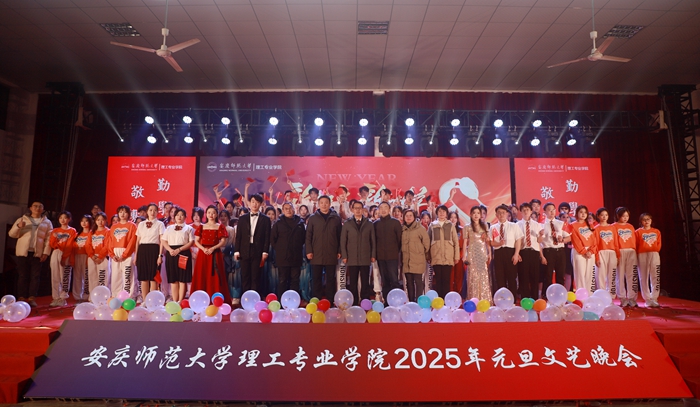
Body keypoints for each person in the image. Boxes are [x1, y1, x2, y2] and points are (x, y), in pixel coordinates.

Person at [8, 202, 52, 308]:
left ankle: (32, 298)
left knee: (35, 277)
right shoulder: (22, 219)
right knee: (22, 276)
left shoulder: (47, 222)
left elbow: (49, 239)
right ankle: (21, 297)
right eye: (35, 206)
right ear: (30, 208)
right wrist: (18, 226)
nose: (37, 208)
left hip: (37, 253)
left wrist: (45, 253)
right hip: (23, 252)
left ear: (43, 209)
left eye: (40, 206)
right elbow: (11, 234)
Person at [305, 195, 342, 301]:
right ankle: (316, 300)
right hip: (316, 252)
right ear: (318, 204)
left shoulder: (336, 218)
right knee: (316, 278)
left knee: (331, 278)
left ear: (330, 204)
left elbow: (340, 236)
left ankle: (330, 300)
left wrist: (339, 250)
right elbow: (308, 236)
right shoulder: (313, 218)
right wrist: (309, 251)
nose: (324, 205)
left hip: (331, 252)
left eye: (326, 203)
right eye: (321, 203)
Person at [192, 205, 231, 302]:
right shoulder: (201, 226)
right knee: (202, 275)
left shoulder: (220, 226)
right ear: (206, 214)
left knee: (215, 276)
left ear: (216, 214)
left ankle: (216, 299)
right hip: (203, 254)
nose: (211, 215)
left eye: (213, 213)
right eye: (209, 212)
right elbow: (196, 241)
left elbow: (223, 241)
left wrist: (213, 248)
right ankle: (200, 300)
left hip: (215, 253)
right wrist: (203, 249)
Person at [341, 200, 376, 305]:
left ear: (363, 209)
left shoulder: (369, 223)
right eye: (355, 208)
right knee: (353, 283)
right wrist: (344, 255)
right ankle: (354, 303)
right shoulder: (347, 223)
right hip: (352, 257)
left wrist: (373, 255)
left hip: (365, 257)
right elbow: (343, 241)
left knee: (365, 282)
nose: (357, 210)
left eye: (359, 208)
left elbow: (373, 241)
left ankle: (365, 303)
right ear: (352, 210)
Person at [234, 195, 271, 295]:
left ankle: (255, 298)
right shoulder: (242, 218)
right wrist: (236, 250)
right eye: (253, 202)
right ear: (249, 203)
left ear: (261, 204)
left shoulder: (266, 219)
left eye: (257, 202)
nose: (255, 204)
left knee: (256, 276)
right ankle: (245, 298)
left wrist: (265, 251)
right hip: (244, 249)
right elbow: (239, 236)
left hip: (258, 250)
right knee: (245, 275)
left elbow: (267, 237)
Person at [271, 202, 306, 298]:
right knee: (282, 280)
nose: (288, 210)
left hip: (296, 256)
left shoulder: (300, 223)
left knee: (295, 280)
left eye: (290, 208)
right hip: (283, 257)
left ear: (294, 209)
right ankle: (282, 301)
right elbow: (273, 240)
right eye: (286, 209)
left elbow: (303, 239)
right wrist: (281, 249)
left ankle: (293, 300)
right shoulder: (278, 223)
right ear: (282, 211)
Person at [162, 208, 194, 303]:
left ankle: (180, 301)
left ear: (185, 217)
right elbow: (164, 241)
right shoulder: (169, 228)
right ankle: (175, 301)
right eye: (177, 215)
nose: (179, 217)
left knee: (182, 279)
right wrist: (170, 250)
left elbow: (191, 242)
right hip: (171, 254)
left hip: (183, 253)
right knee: (173, 278)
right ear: (174, 217)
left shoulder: (189, 228)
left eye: (182, 215)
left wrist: (179, 249)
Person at [489, 204, 523, 295]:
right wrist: (499, 244)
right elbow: (491, 242)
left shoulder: (514, 226)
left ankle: (513, 299)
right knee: (500, 277)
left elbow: (518, 240)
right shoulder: (493, 228)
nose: (501, 215)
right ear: (496, 215)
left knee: (511, 277)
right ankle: (502, 299)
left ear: (507, 214)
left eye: (503, 213)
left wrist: (516, 254)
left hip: (510, 252)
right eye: (499, 213)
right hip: (498, 252)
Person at [427, 205, 460, 298]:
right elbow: (428, 241)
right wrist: (428, 256)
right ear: (437, 213)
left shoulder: (450, 225)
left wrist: (456, 256)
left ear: (446, 214)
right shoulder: (432, 225)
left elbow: (455, 242)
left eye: (444, 212)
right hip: (436, 257)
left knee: (446, 280)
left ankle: (446, 301)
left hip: (448, 257)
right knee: (438, 280)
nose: (441, 213)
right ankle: (439, 301)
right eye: (440, 211)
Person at [540, 203, 571, 299]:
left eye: (553, 209)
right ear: (545, 212)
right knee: (548, 275)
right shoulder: (541, 225)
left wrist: (563, 240)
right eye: (549, 210)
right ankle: (547, 296)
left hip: (560, 251)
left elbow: (569, 237)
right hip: (548, 251)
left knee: (560, 274)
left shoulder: (561, 223)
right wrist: (540, 235)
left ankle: (560, 296)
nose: (552, 211)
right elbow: (539, 241)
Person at [374, 202, 403, 304]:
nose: (383, 210)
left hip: (392, 256)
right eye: (381, 208)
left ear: (389, 209)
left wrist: (395, 251)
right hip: (380, 257)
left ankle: (396, 302)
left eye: (385, 207)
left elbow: (399, 240)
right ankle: (387, 302)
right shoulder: (375, 224)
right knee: (385, 281)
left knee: (394, 280)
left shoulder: (395, 223)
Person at [135, 203, 165, 299]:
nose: (153, 212)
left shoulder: (160, 224)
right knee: (144, 278)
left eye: (155, 210)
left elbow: (162, 241)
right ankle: (145, 300)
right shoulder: (141, 224)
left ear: (157, 212)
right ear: (147, 212)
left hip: (154, 250)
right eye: (150, 210)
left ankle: (152, 300)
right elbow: (137, 241)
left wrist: (160, 255)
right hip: (142, 250)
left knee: (153, 277)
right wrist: (136, 256)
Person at [107, 205, 137, 299]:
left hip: (127, 253)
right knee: (116, 275)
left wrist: (125, 255)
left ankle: (129, 296)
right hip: (115, 252)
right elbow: (110, 241)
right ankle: (116, 296)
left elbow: (132, 241)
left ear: (129, 214)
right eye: (120, 212)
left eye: (125, 212)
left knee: (127, 275)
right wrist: (112, 254)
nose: (122, 214)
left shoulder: (132, 226)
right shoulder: (114, 226)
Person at [463, 206, 492, 302]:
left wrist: (490, 253)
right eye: (474, 213)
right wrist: (464, 256)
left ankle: (484, 299)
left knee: (483, 275)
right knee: (473, 276)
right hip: (472, 253)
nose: (476, 215)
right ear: (471, 215)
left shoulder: (485, 226)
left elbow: (487, 241)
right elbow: (465, 242)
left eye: (478, 213)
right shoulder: (467, 227)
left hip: (482, 252)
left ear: (480, 215)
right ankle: (473, 299)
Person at [48, 211, 77, 307]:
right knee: (55, 275)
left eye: (65, 218)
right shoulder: (55, 230)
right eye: (61, 218)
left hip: (66, 253)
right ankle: (56, 297)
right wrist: (54, 238)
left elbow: (70, 245)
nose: (63, 220)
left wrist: (64, 257)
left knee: (65, 276)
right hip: (56, 252)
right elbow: (52, 244)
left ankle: (63, 298)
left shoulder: (72, 230)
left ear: (69, 219)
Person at [516, 203, 543, 301]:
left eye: (527, 209)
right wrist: (517, 253)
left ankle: (535, 299)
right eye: (523, 210)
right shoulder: (517, 225)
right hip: (523, 251)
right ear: (521, 212)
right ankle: (525, 299)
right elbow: (516, 241)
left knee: (534, 276)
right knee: (523, 276)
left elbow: (540, 241)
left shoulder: (537, 225)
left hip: (534, 252)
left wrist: (540, 235)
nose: (526, 211)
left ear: (531, 211)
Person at [401, 209, 429, 302]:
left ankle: (419, 302)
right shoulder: (403, 229)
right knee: (409, 283)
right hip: (406, 261)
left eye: (410, 215)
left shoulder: (420, 229)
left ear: (414, 217)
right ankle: (411, 302)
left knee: (418, 282)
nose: (408, 217)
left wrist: (420, 253)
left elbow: (426, 244)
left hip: (418, 260)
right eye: (406, 216)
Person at [636, 213, 661, 308]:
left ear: (651, 220)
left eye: (648, 219)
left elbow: (658, 244)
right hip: (642, 254)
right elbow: (636, 244)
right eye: (644, 219)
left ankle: (654, 298)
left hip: (654, 254)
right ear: (641, 221)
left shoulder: (656, 231)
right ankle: (647, 299)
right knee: (643, 276)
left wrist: (654, 250)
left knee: (655, 276)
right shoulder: (638, 232)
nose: (646, 221)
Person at [615, 207, 638, 307]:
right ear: (618, 216)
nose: (625, 218)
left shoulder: (630, 226)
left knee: (632, 275)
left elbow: (634, 240)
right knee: (619, 275)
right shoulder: (614, 226)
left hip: (631, 251)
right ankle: (622, 298)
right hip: (620, 251)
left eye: (627, 216)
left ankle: (632, 298)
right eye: (623, 216)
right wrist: (616, 254)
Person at [570, 206, 597, 295]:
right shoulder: (572, 225)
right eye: (581, 212)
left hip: (590, 252)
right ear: (577, 213)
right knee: (580, 274)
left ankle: (590, 295)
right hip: (579, 252)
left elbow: (594, 240)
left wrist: (591, 251)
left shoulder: (590, 225)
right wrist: (584, 252)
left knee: (590, 274)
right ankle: (581, 296)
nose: (583, 214)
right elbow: (576, 240)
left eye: (585, 212)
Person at [594, 207, 620, 299]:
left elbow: (616, 243)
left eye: (606, 215)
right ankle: (601, 296)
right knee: (601, 275)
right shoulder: (596, 229)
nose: (604, 217)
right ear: (598, 216)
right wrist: (597, 258)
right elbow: (595, 244)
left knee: (612, 275)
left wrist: (618, 256)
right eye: (602, 215)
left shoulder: (612, 228)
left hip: (612, 253)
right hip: (601, 252)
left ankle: (611, 296)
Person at [86, 212, 110, 294]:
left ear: (105, 220)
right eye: (98, 220)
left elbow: (107, 245)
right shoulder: (92, 232)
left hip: (103, 257)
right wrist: (92, 255)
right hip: (92, 257)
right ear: (95, 221)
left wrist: (100, 257)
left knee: (103, 276)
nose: (100, 222)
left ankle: (103, 295)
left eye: (102, 220)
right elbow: (88, 245)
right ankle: (93, 295)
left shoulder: (108, 231)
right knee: (92, 276)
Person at [72, 215, 93, 302]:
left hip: (87, 256)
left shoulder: (92, 233)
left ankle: (86, 295)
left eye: (86, 221)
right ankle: (77, 296)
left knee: (86, 276)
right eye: (82, 221)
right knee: (77, 277)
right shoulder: (77, 234)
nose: (84, 223)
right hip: (77, 256)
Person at [448, 211, 466, 296]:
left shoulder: (461, 230)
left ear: (457, 219)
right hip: (448, 256)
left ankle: (458, 294)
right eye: (451, 217)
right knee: (450, 276)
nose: (453, 219)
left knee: (458, 276)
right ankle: (450, 293)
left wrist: (459, 256)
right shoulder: (446, 229)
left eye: (455, 217)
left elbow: (463, 245)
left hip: (459, 255)